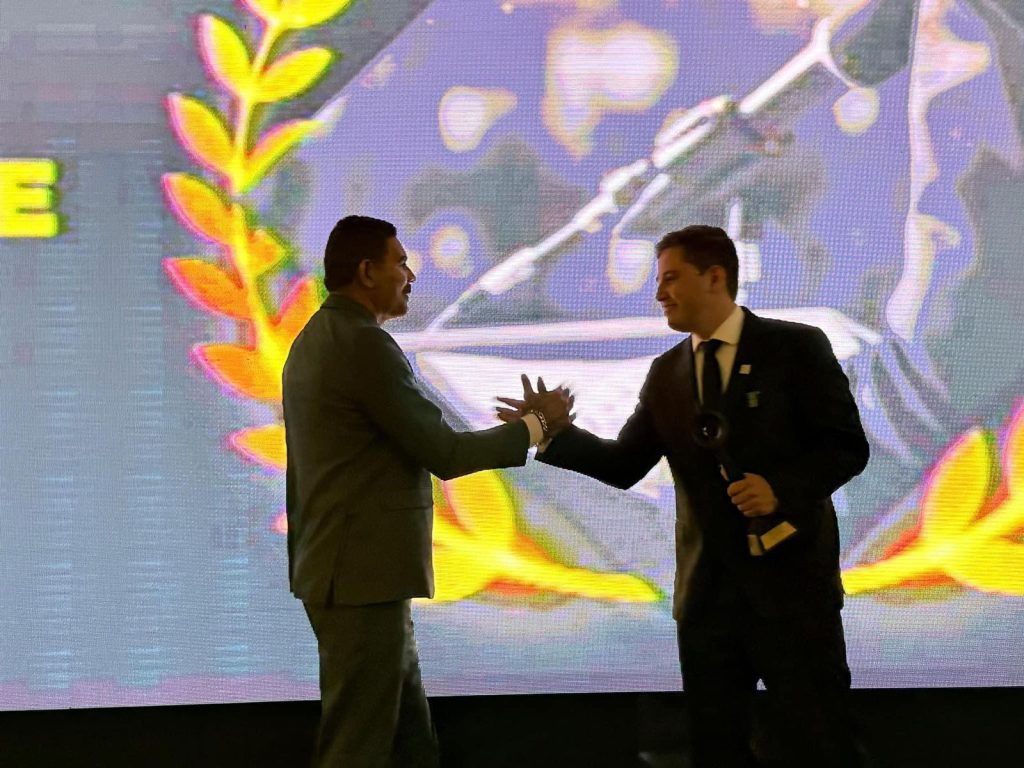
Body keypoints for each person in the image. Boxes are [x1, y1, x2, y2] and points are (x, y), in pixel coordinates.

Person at [498, 225, 869, 767]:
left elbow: (846, 447)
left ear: (714, 277)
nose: (659, 293)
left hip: (793, 596)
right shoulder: (666, 372)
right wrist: (550, 433)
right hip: (707, 606)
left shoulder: (796, 347)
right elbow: (624, 465)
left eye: (671, 279)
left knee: (821, 746)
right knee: (716, 752)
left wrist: (780, 490)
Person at [283, 215, 571, 767]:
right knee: (359, 748)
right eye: (400, 263)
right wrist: (536, 427)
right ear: (367, 272)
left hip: (353, 575)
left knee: (410, 745)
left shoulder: (321, 337)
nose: (411, 275)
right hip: (362, 579)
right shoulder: (363, 346)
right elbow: (445, 453)